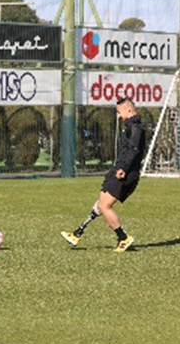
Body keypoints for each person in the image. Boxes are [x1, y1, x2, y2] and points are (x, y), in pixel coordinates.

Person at [63, 97, 149, 252]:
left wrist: (123, 168)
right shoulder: (129, 126)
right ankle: (77, 232)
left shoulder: (136, 128)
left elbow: (133, 151)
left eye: (119, 112)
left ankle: (123, 238)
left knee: (104, 206)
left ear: (128, 110)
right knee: (101, 200)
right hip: (119, 169)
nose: (118, 116)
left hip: (126, 173)